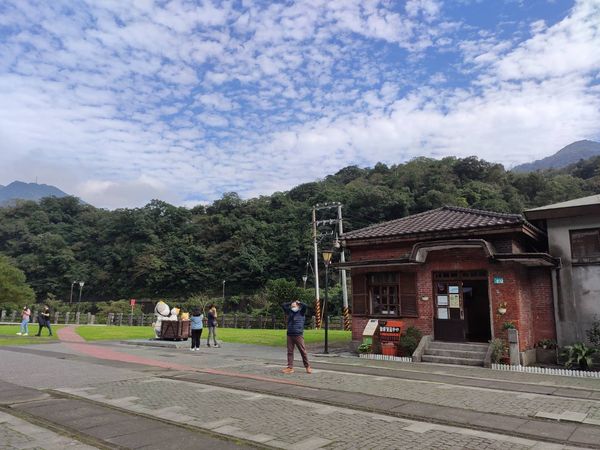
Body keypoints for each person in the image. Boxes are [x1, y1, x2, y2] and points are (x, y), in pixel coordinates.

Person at [281, 300, 311, 374]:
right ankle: (290, 367)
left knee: (302, 351)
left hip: (298, 334)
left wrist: (299, 302)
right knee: (290, 351)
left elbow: (306, 306)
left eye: (294, 306)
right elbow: (283, 305)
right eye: (292, 306)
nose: (292, 307)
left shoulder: (301, 312)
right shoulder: (289, 312)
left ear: (298, 306)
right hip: (290, 334)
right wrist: (290, 302)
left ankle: (307, 367)